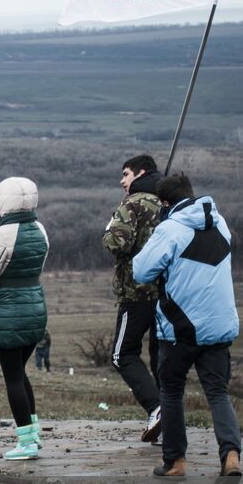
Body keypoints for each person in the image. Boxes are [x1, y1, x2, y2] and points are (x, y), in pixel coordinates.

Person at [132, 174, 243, 484]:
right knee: (218, 392)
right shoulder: (219, 223)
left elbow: (141, 271)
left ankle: (175, 461)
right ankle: (230, 455)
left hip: (181, 327)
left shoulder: (170, 229)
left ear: (166, 203)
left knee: (170, 391)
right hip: (220, 326)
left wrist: (154, 236)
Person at [0, 177, 49, 461]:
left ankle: (26, 442)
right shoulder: (40, 229)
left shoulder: (4, 234)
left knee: (13, 378)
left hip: (9, 310)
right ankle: (33, 434)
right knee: (20, 371)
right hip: (35, 304)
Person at [102, 154, 166, 442]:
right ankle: (170, 417)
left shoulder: (133, 203)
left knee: (122, 353)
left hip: (136, 291)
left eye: (126, 174)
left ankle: (157, 407)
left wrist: (110, 227)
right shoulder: (167, 202)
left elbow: (116, 243)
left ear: (140, 173)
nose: (122, 180)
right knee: (158, 357)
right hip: (165, 292)